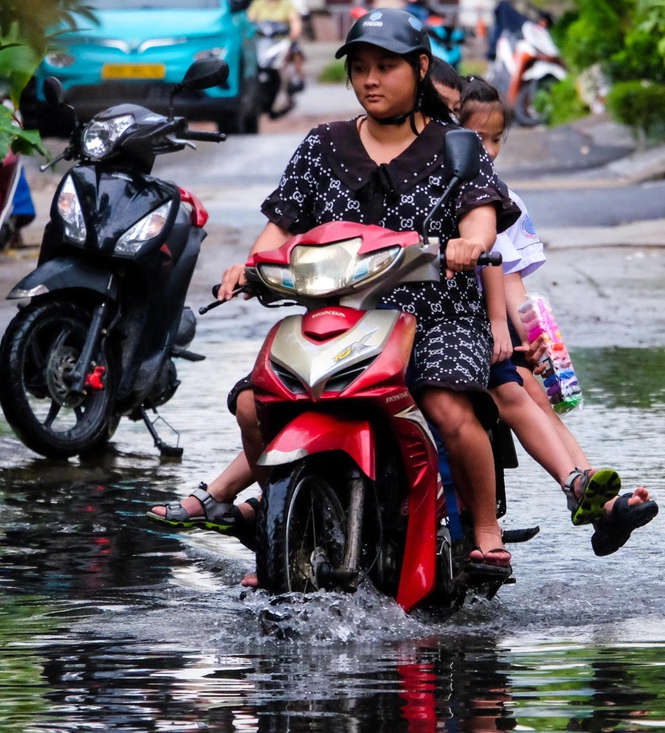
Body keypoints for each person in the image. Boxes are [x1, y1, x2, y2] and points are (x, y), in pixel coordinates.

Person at [150, 8, 541, 573]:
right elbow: (282, 226)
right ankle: (283, 515)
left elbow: (481, 218)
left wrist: (469, 244)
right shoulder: (323, 144)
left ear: (421, 68)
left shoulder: (456, 145)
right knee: (252, 405)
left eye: (386, 66)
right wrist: (251, 265)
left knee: (445, 402)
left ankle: (483, 530)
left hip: (435, 316)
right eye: (360, 68)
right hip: (340, 317)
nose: (371, 80)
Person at [458, 75, 658, 555]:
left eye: (495, 139)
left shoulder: (503, 200)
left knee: (533, 391)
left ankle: (598, 498)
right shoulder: (438, 188)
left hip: (496, 333)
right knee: (517, 389)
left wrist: (537, 337)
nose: (486, 150)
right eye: (475, 138)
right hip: (456, 327)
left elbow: (509, 279)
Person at [247, 0, 306, 95]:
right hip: (264, 40)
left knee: (295, 51)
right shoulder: (258, 3)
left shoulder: (286, 4)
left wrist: (295, 32)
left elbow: (295, 21)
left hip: (282, 40)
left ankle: (298, 77)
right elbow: (250, 18)